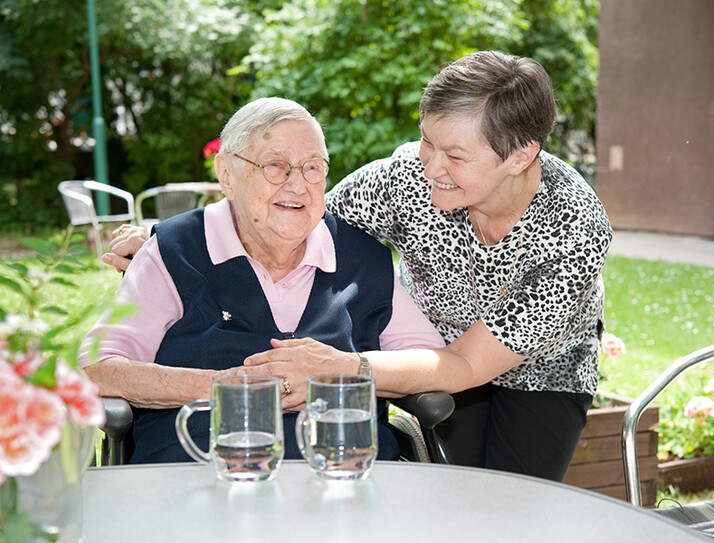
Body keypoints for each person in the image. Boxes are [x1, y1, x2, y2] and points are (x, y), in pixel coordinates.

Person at [106, 51, 612, 482]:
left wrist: (338, 368)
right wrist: (167, 240)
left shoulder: (574, 232)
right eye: (427, 141)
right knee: (448, 497)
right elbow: (296, 208)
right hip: (427, 354)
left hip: (535, 370)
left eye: (454, 155)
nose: (430, 165)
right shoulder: (407, 179)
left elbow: (466, 365)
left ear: (521, 155)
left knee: (509, 504)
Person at [80, 97, 445, 464]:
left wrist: (343, 371)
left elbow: (432, 362)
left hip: (342, 478)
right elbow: (98, 370)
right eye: (276, 166)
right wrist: (227, 387)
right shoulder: (175, 251)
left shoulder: (361, 258)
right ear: (226, 174)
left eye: (313, 168)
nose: (298, 185)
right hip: (198, 476)